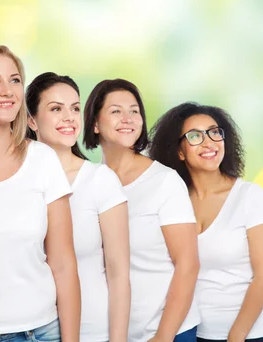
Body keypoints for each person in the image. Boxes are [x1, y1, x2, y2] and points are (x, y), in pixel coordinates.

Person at [0, 44, 80, 342]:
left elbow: (63, 263)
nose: (7, 90)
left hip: (40, 333)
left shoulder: (42, 160)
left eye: (15, 80)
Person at [149, 102, 263, 342]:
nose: (209, 142)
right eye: (195, 136)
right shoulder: (173, 202)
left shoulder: (250, 196)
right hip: (190, 333)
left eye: (214, 132)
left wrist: (237, 336)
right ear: (179, 152)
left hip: (248, 336)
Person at [83, 79, 200, 342]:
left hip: (167, 332)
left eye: (134, 111)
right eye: (115, 111)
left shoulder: (164, 182)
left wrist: (163, 336)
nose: (127, 118)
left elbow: (188, 264)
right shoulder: (87, 182)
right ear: (95, 123)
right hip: (112, 333)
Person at [26, 72, 130, 342]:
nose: (69, 117)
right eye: (56, 109)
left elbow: (118, 273)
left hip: (92, 331)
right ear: (31, 120)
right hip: (30, 329)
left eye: (74, 108)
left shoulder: (100, 180)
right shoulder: (18, 181)